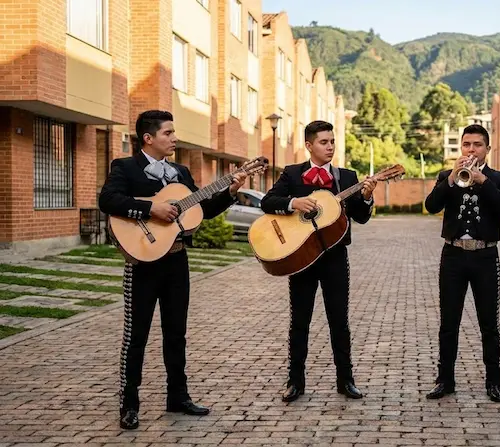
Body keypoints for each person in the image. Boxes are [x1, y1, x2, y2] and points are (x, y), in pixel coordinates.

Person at [99, 110, 247, 430]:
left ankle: (177, 397)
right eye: (168, 133)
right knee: (135, 337)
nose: (174, 138)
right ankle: (129, 404)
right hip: (142, 263)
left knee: (176, 333)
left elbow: (203, 209)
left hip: (177, 261)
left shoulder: (180, 171)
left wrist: (230, 191)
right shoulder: (124, 167)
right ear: (149, 138)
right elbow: (108, 199)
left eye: (174, 132)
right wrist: (151, 208)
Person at [260, 120, 378, 402]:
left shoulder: (347, 177)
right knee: (299, 321)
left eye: (332, 141)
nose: (330, 147)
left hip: (335, 258)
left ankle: (346, 381)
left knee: (339, 320)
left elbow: (360, 217)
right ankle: (295, 382)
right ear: (309, 145)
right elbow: (267, 201)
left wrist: (367, 197)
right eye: (324, 142)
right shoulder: (292, 174)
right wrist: (293, 204)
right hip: (301, 258)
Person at [423, 124, 500, 403]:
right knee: (449, 322)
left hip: (485, 255)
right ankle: (445, 380)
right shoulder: (446, 176)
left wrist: (482, 181)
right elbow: (431, 205)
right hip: (453, 255)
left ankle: (494, 381)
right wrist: (452, 177)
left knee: (488, 322)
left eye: (476, 144)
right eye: (466, 144)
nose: (471, 149)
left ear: (487, 148)